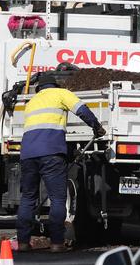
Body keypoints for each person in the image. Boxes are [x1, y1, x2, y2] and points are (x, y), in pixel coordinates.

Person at [16, 74, 106, 253]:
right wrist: (96, 126)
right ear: (55, 85)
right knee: (57, 198)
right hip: (51, 154)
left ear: (39, 88)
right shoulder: (61, 93)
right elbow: (82, 110)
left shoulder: (32, 102)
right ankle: (57, 243)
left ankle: (23, 243)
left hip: (27, 154)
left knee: (27, 198)